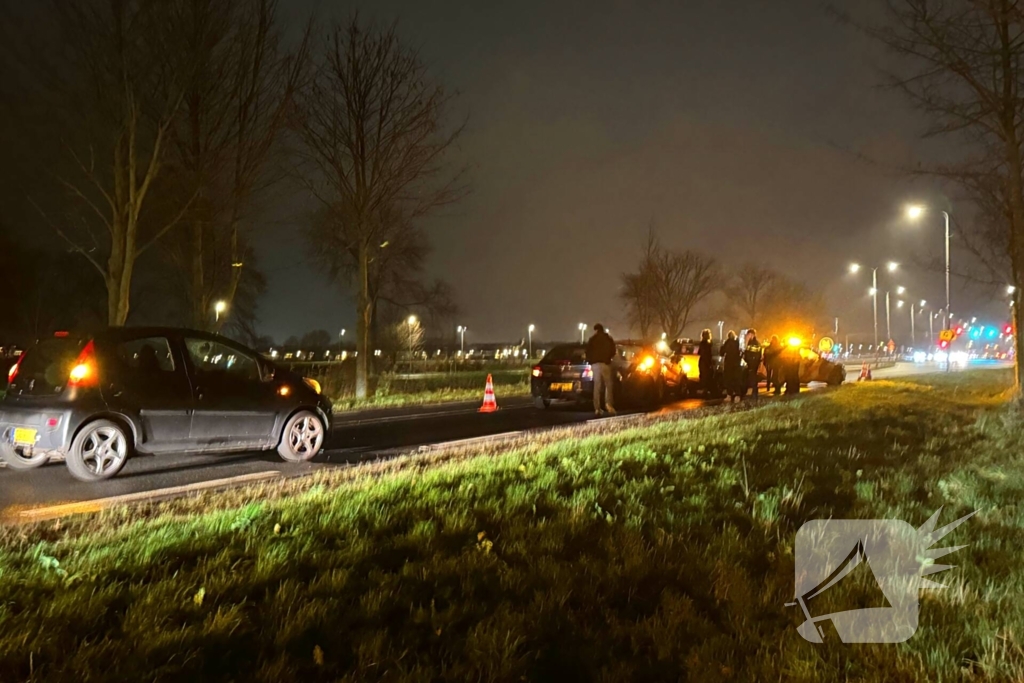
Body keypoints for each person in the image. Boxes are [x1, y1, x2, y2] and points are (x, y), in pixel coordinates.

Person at [585, 323, 616, 415]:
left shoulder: (592, 339)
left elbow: (588, 351)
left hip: (595, 365)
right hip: (605, 363)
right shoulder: (608, 338)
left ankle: (597, 408)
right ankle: (609, 405)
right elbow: (613, 350)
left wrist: (591, 360)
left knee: (597, 386)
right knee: (608, 385)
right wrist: (608, 358)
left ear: (596, 330)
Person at [720, 330, 741, 403]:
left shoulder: (726, 343)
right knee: (736, 380)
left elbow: (721, 353)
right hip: (736, 364)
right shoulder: (737, 343)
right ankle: (737, 396)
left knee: (728, 380)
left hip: (728, 364)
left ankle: (729, 395)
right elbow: (739, 353)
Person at [698, 328, 716, 396]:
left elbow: (700, 352)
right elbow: (708, 354)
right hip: (706, 362)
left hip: (702, 362)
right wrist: (710, 363)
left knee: (703, 376)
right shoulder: (708, 344)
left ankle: (704, 389)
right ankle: (707, 390)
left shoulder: (702, 344)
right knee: (708, 376)